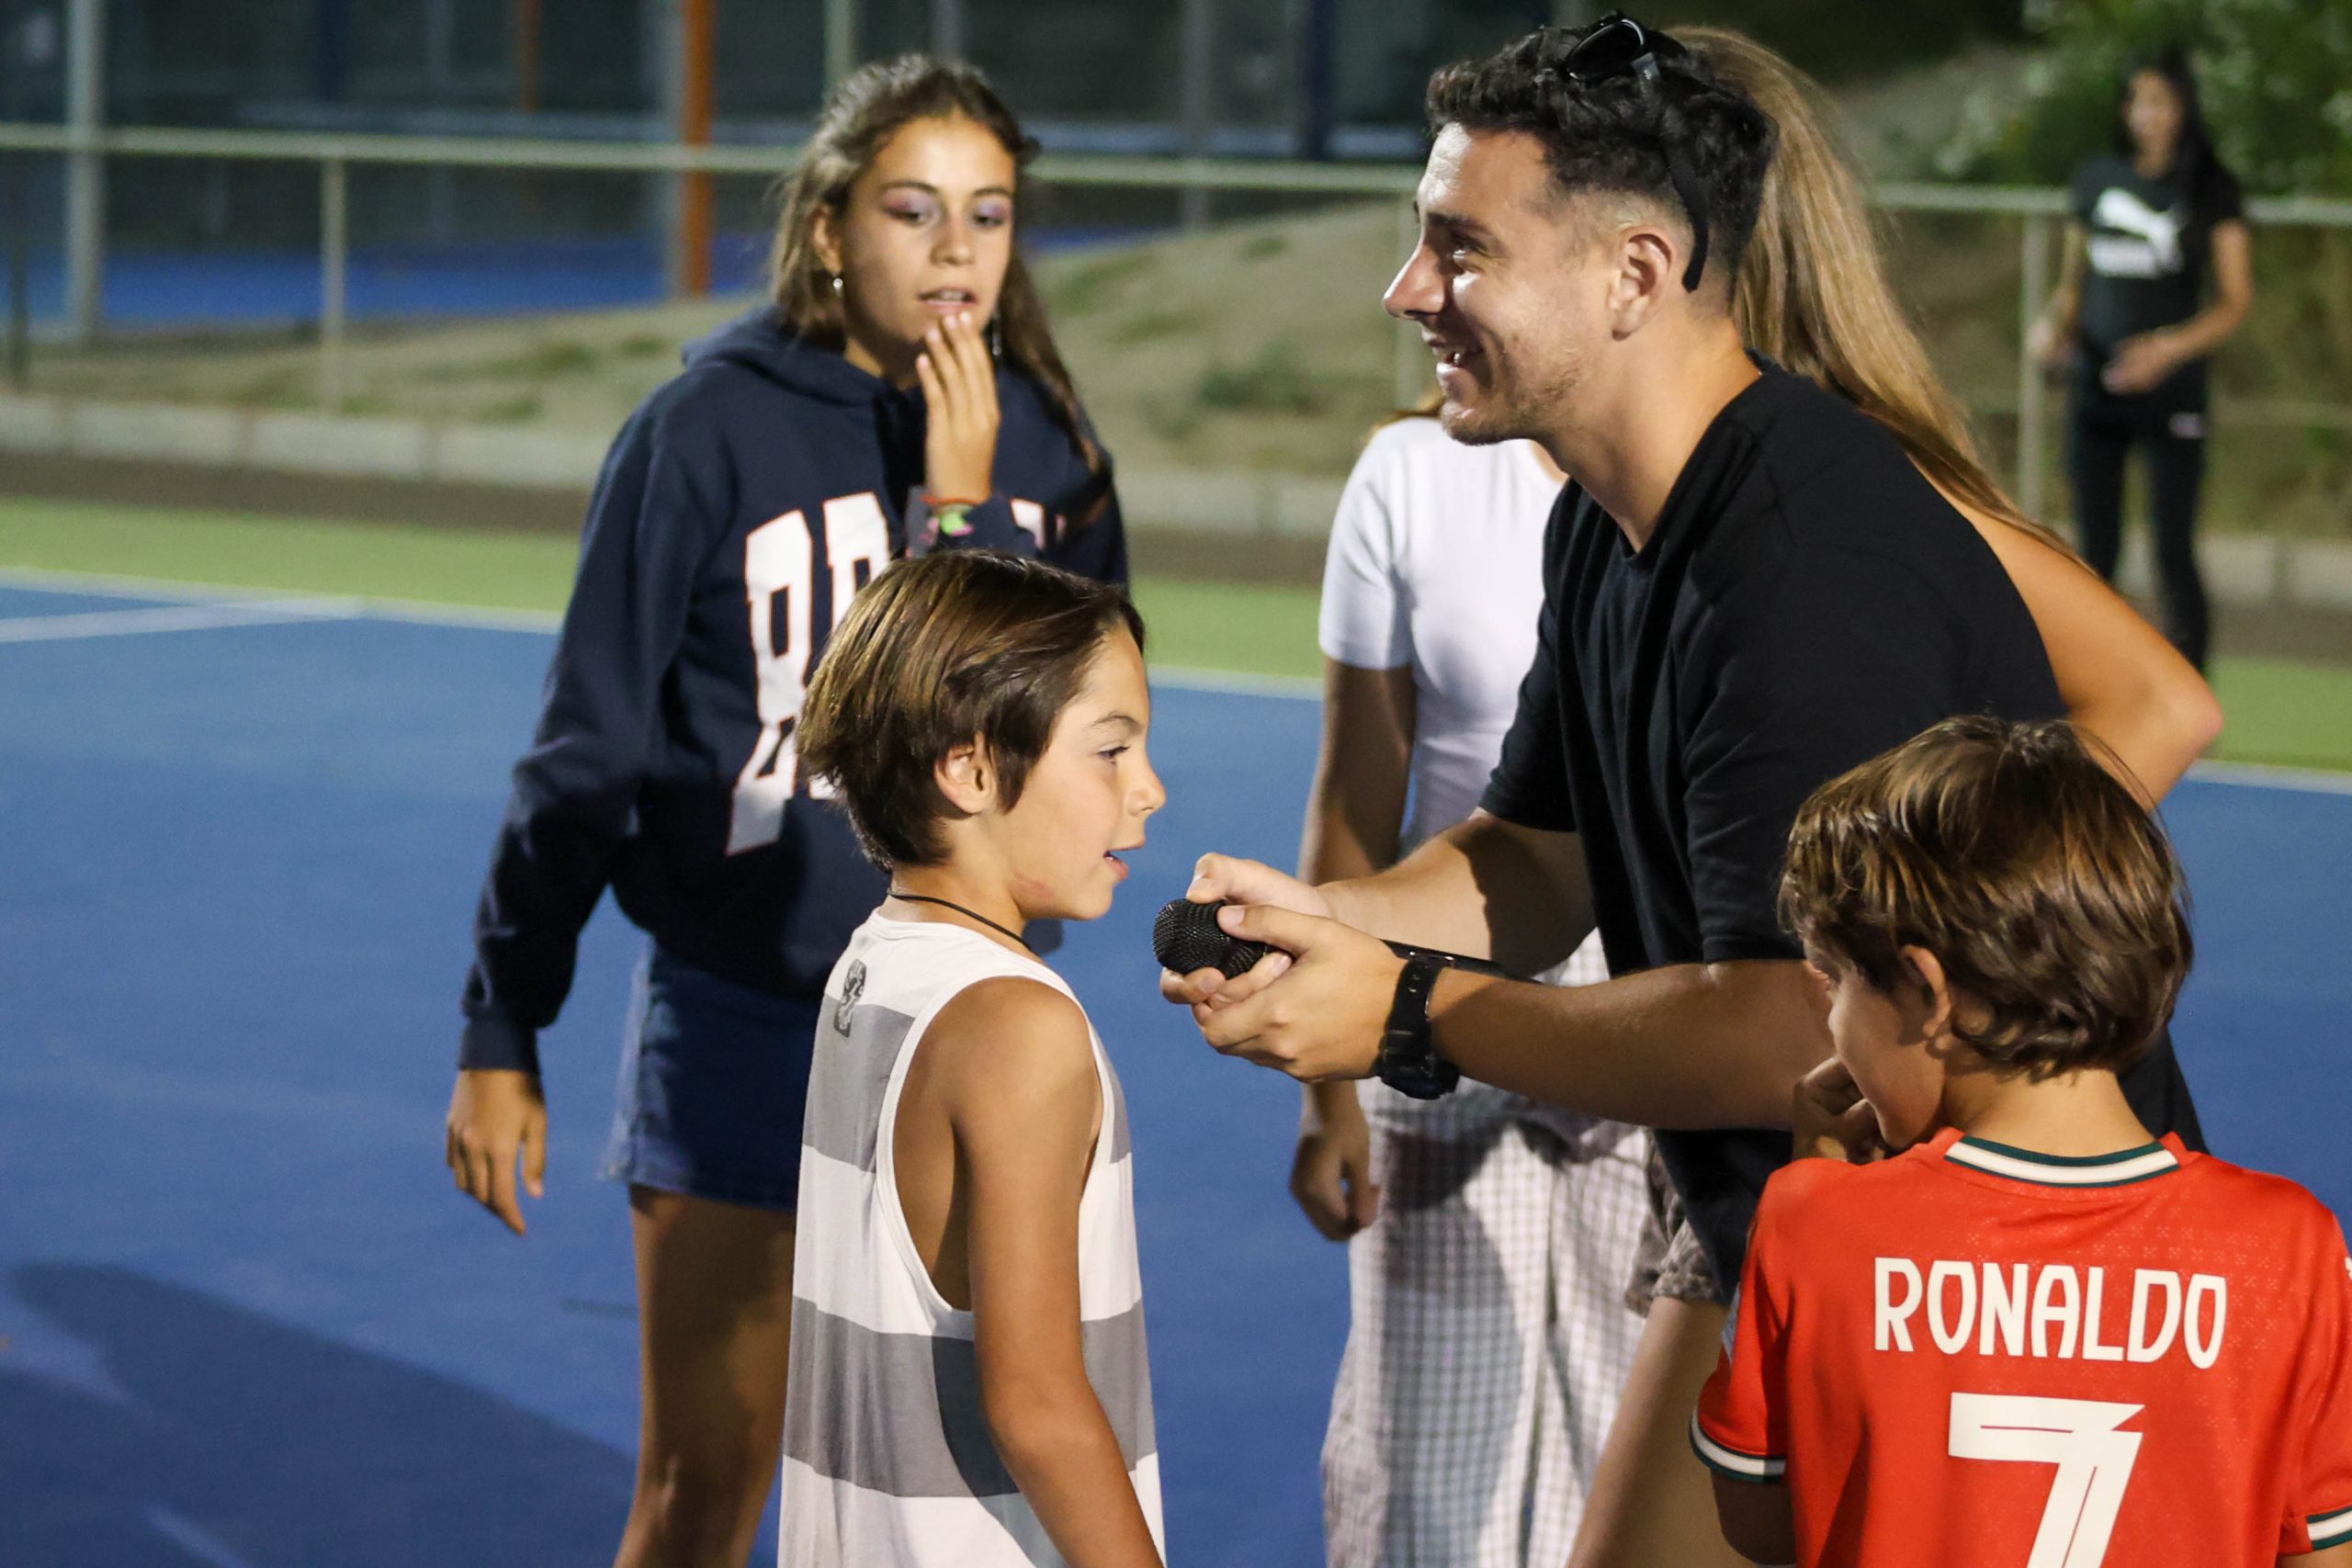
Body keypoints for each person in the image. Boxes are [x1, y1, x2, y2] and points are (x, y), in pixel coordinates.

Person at [1162, 14, 2203, 1564]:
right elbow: (1537, 859)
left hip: (1967, 1262)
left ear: (1634, 275)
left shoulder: (1801, 565)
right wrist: (1323, 921)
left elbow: (1791, 1026)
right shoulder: (1608, 521)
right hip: (1781, 1210)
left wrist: (1410, 1010)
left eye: (1460, 248)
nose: (1408, 290)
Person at [440, 56, 1126, 1568]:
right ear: (830, 228)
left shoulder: (1050, 449)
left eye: (989, 213)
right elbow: (588, 750)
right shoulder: (706, 429)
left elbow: (1060, 746)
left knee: (959, 1486)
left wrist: (964, 513)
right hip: (749, 1018)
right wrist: (505, 1018)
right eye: (912, 209)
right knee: (705, 1487)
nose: (955, 249)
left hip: (974, 1032)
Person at [1696, 716, 2352, 1567]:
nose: (1835, 1025)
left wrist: (1815, 1183)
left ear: (1928, 988)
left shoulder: (1816, 1220)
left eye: (1837, 983)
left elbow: (1760, 1522)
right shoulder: (2290, 1251)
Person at [1301, 404, 1645, 1568]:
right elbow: (1357, 793)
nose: (1416, 310)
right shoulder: (1407, 474)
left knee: (1631, 1444)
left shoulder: (1730, 475)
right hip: (1437, 976)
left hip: (1653, 998)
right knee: (1420, 1474)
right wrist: (1329, 1093)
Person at [785, 548, 1167, 1568]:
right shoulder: (1019, 1028)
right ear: (969, 768)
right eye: (1111, 749)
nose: (1149, 790)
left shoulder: (873, 964)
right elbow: (1036, 1405)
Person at [2031, 45, 2254, 672]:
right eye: (2137, 101)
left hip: (2171, 396)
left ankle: (2191, 691)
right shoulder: (2096, 179)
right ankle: (2092, 688)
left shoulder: (2211, 187)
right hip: (2096, 390)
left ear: (2184, 107)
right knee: (2093, 551)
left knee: (2172, 551)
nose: (2147, 115)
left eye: (2161, 101)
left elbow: (2235, 301)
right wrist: (2052, 329)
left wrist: (2167, 349)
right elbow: (2073, 284)